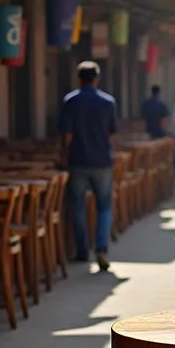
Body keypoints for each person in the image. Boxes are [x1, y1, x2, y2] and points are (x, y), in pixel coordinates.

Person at [58, 60, 118, 272]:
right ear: (96, 78)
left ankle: (82, 249)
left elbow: (67, 134)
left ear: (79, 78)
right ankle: (101, 247)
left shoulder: (70, 101)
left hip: (78, 160)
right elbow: (111, 133)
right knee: (104, 206)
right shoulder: (108, 102)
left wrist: (63, 155)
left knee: (77, 206)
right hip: (102, 160)